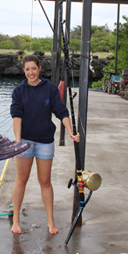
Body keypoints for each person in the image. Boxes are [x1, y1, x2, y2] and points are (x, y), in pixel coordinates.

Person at [10, 54, 80, 235]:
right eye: (27, 69)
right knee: (21, 180)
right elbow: (16, 116)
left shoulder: (49, 88)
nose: (31, 72)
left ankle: (51, 222)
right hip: (25, 141)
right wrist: (17, 142)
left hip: (44, 142)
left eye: (34, 68)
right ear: (23, 71)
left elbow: (61, 111)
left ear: (40, 68)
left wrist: (71, 131)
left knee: (45, 182)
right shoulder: (19, 91)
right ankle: (16, 220)